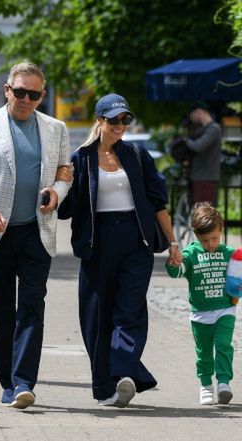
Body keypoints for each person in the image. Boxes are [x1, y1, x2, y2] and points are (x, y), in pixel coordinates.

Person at [58, 93, 181, 407]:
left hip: (134, 241)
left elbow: (157, 203)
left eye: (125, 119)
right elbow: (65, 211)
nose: (120, 125)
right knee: (96, 318)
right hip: (96, 243)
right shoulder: (80, 158)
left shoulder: (137, 155)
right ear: (99, 120)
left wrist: (173, 243)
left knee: (130, 310)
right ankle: (106, 386)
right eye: (113, 120)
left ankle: (124, 372)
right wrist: (63, 184)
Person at [0, 61, 73, 409]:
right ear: (7, 90)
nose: (26, 99)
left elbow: (65, 172)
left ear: (42, 96)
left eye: (34, 94)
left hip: (37, 232)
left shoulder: (55, 128)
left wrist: (57, 193)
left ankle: (23, 382)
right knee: (0, 311)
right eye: (20, 92)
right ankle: (5, 380)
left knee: (32, 307)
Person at [165, 203, 236, 405]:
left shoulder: (229, 254)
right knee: (203, 353)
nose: (211, 243)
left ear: (221, 231)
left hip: (225, 310)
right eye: (205, 240)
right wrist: (174, 263)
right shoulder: (191, 254)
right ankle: (205, 385)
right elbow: (177, 271)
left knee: (223, 345)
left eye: (214, 238)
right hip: (200, 314)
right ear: (196, 236)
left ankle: (223, 383)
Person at [182, 101, 222, 205]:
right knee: (200, 212)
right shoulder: (202, 129)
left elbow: (198, 146)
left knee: (204, 214)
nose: (191, 118)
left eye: (192, 115)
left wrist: (185, 140)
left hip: (206, 178)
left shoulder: (213, 128)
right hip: (200, 177)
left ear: (198, 112)